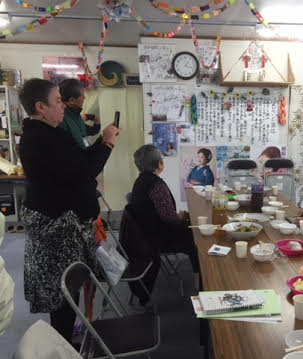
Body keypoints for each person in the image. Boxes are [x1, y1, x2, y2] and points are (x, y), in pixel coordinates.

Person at [18, 78, 120, 343]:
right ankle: (63, 345)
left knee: (69, 292)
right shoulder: (41, 139)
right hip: (57, 229)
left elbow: (80, 163)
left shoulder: (50, 133)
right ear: (41, 107)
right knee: (64, 294)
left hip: (64, 224)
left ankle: (65, 342)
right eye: (58, 101)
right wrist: (107, 142)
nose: (63, 106)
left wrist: (101, 142)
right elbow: (85, 170)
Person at [129, 145, 200, 301]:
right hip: (156, 239)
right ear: (159, 164)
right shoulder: (156, 186)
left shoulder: (140, 181)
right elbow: (169, 218)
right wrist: (180, 217)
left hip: (143, 235)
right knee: (195, 238)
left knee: (191, 227)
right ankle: (198, 282)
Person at [58, 78, 101, 149]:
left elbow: (87, 132)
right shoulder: (61, 120)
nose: (85, 98)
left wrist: (97, 123)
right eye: (82, 95)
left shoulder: (76, 115)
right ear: (72, 100)